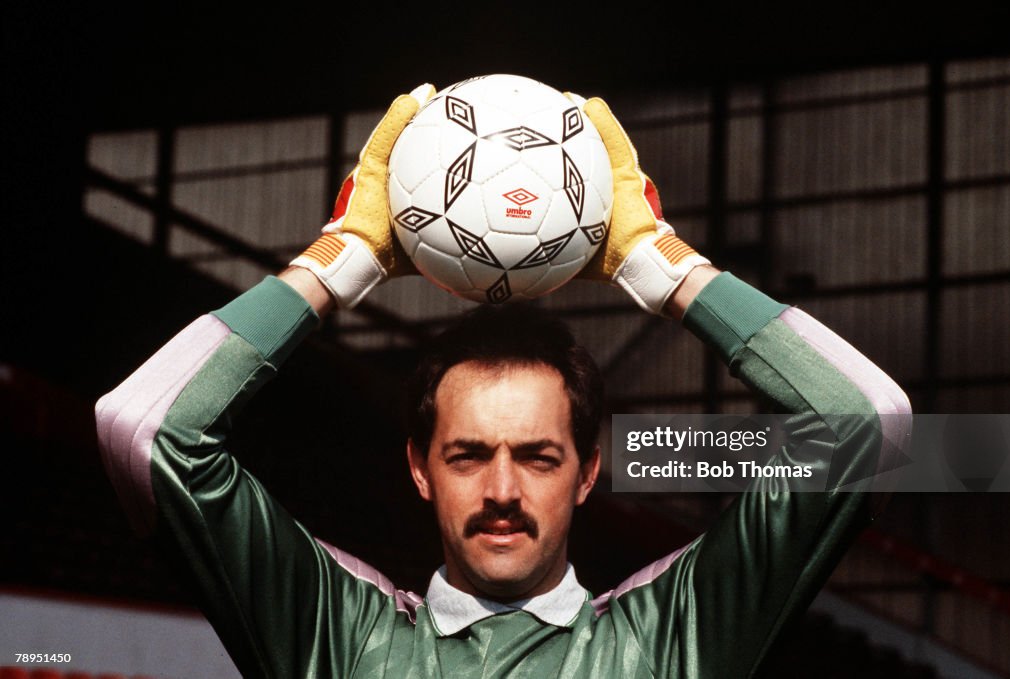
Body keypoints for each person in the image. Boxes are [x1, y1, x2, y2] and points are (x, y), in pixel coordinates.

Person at [95, 84, 912, 678]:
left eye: (540, 455)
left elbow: (866, 420)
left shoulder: (677, 636)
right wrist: (346, 257)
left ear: (589, 469)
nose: (502, 488)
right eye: (467, 454)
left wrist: (660, 264)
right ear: (418, 466)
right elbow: (145, 430)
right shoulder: (334, 635)